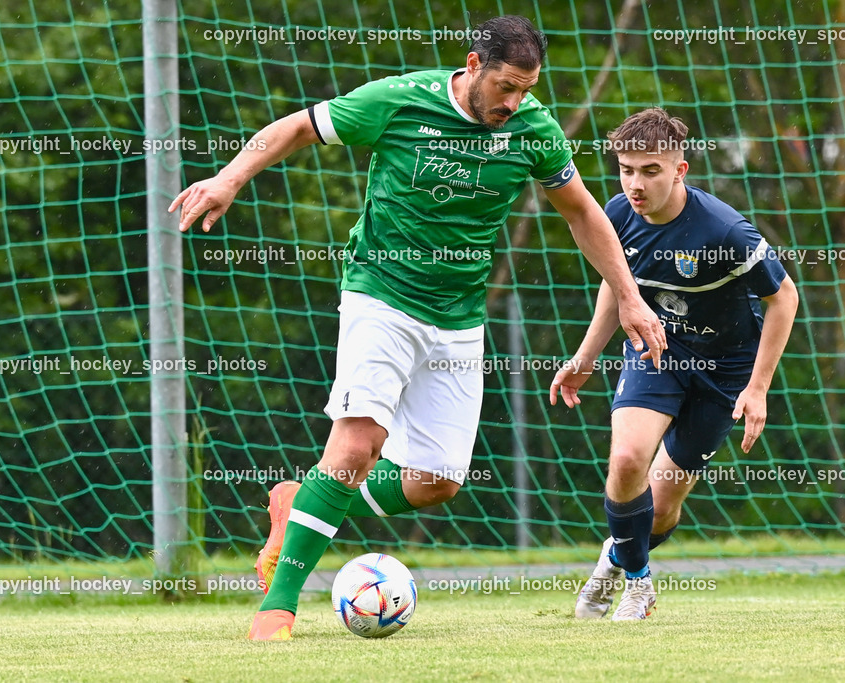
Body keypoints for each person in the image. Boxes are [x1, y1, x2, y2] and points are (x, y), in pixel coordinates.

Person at [170, 15, 667, 640]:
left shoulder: (533, 129)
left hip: (458, 317)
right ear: (473, 66)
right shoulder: (399, 100)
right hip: (381, 294)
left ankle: (299, 502)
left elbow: (583, 214)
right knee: (356, 447)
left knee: (435, 484)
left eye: (526, 89)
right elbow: (298, 126)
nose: (514, 103)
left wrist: (629, 298)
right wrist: (227, 179)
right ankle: (278, 606)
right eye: (506, 87)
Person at [549, 107, 798, 621]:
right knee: (626, 461)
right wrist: (585, 357)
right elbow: (618, 285)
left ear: (680, 170)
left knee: (660, 509)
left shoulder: (725, 231)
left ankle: (613, 560)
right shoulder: (617, 214)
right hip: (656, 350)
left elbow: (784, 299)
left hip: (726, 369)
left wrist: (758, 388)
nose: (635, 184)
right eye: (626, 170)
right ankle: (639, 585)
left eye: (650, 171)